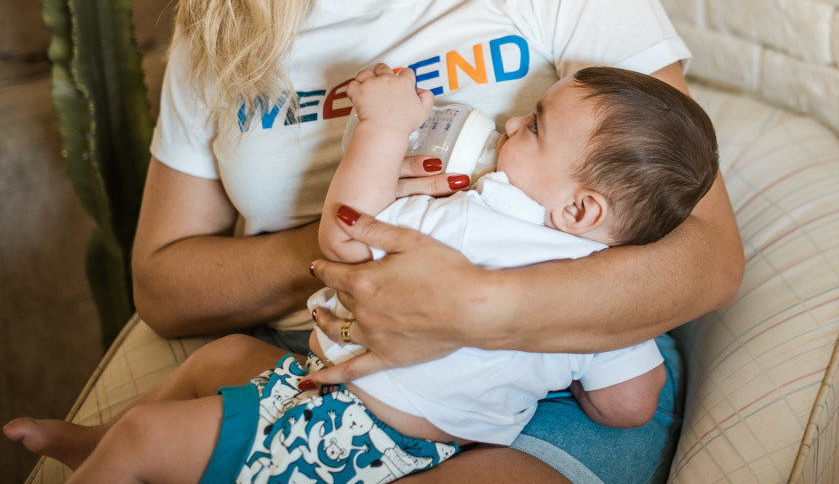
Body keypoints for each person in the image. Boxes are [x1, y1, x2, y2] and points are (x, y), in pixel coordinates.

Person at [14, 0, 743, 481]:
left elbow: (706, 254)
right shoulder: (230, 16)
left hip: (546, 380)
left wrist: (474, 301)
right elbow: (162, 283)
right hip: (334, 369)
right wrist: (361, 240)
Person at [4, 64, 721, 484]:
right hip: (390, 427)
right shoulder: (602, 294)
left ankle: (105, 448)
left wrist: (380, 130)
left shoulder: (477, 209)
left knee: (146, 443)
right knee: (222, 358)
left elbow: (347, 237)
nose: (507, 127)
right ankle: (94, 441)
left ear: (581, 205)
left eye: (532, 126)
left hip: (349, 434)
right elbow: (630, 404)